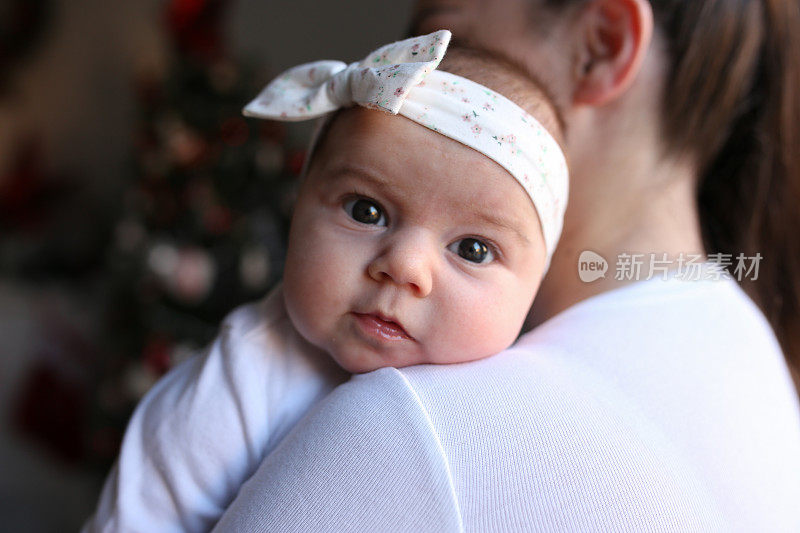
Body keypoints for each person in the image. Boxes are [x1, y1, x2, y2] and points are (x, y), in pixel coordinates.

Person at [210, 0, 800, 531]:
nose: (424, 82)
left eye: (441, 41)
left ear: (600, 45)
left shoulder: (416, 430)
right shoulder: (764, 387)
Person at [83, 31, 570, 532]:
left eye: (473, 249)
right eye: (367, 210)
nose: (403, 266)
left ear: (534, 285)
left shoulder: (514, 406)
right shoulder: (239, 383)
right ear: (299, 209)